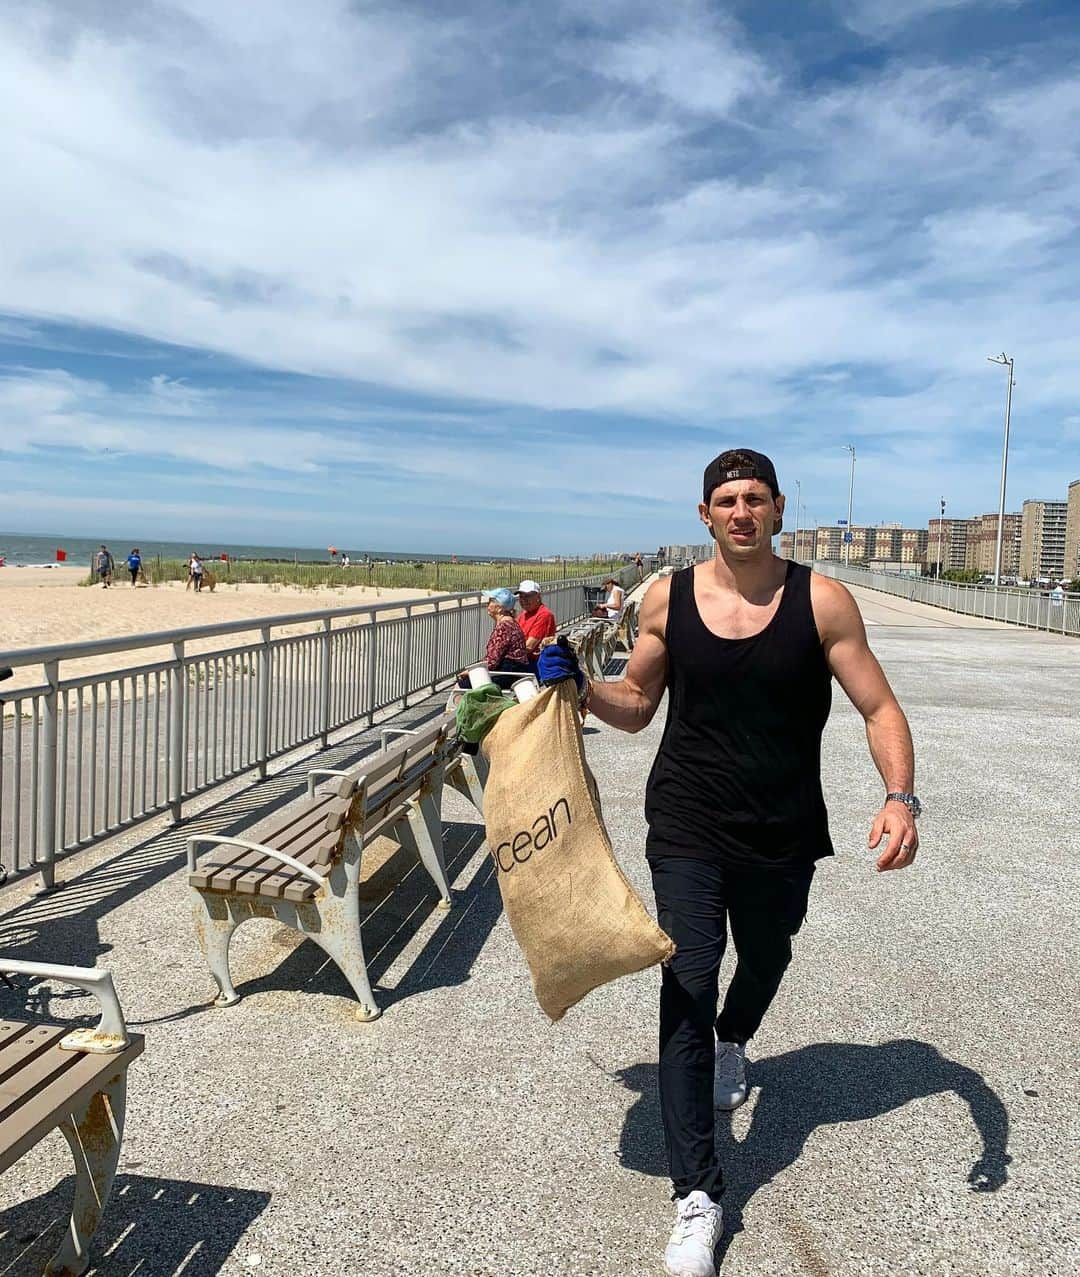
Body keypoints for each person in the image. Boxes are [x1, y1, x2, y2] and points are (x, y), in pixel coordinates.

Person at [538, 447, 920, 1277]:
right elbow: (636, 704)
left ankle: (736, 1040)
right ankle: (697, 1195)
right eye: (725, 499)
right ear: (704, 514)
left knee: (770, 952)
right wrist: (581, 687)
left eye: (754, 498)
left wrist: (901, 795)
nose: (740, 511)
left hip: (783, 831)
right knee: (688, 976)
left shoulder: (822, 600)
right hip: (687, 824)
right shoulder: (667, 599)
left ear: (779, 509)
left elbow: (879, 704)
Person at [514, 579, 557, 658]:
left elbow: (529, 646)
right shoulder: (524, 614)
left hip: (534, 663)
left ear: (538, 596)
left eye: (527, 596)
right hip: (523, 660)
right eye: (521, 596)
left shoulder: (544, 615)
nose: (523, 600)